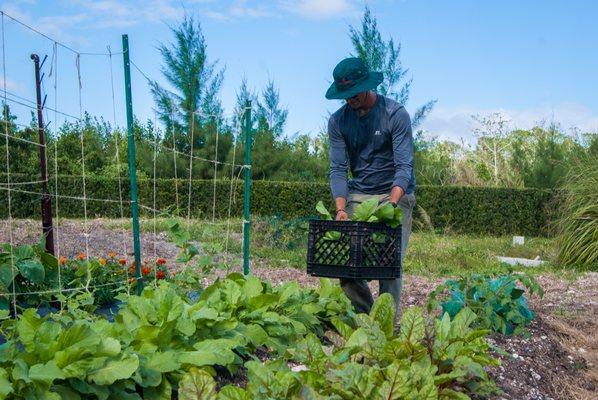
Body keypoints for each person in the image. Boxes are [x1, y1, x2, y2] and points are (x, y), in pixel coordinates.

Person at [325, 57, 416, 316]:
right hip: (359, 193)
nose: (350, 99)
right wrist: (341, 209)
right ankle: (367, 319)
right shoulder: (338, 122)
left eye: (354, 93)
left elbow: (404, 168)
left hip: (396, 192)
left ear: (366, 86)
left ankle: (387, 324)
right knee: (347, 263)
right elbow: (338, 169)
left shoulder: (395, 114)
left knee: (389, 262)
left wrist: (392, 203)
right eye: (345, 95)